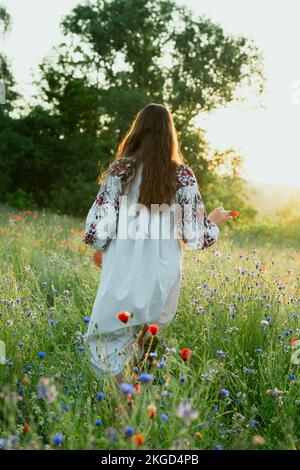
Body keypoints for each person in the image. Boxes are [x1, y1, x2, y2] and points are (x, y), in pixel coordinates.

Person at [82, 103, 231, 383]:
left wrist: (101, 247)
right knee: (145, 333)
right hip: (163, 268)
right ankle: (135, 398)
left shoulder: (120, 170)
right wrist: (213, 221)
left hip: (122, 264)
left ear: (138, 131)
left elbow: (100, 226)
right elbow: (195, 235)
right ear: (169, 135)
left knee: (107, 336)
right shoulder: (182, 174)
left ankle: (120, 403)